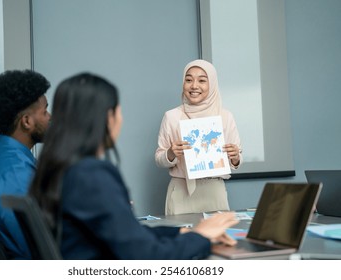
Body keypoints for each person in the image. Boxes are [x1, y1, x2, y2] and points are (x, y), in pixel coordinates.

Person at [29, 72, 238, 260]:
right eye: (118, 110)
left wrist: (184, 233)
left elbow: (127, 236)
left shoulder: (59, 169)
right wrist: (200, 237)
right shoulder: (93, 176)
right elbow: (145, 255)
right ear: (105, 118)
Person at [0, 69, 51, 259]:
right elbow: (41, 248)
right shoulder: (14, 173)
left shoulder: (5, 158)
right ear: (26, 121)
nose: (50, 117)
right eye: (45, 111)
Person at [155, 59, 242, 215]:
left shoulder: (225, 116)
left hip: (214, 192)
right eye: (188, 80)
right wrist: (170, 153)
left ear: (213, 84)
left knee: (218, 238)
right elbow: (159, 158)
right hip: (181, 191)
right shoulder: (172, 116)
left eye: (202, 80)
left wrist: (235, 157)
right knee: (181, 238)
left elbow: (237, 159)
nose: (194, 86)